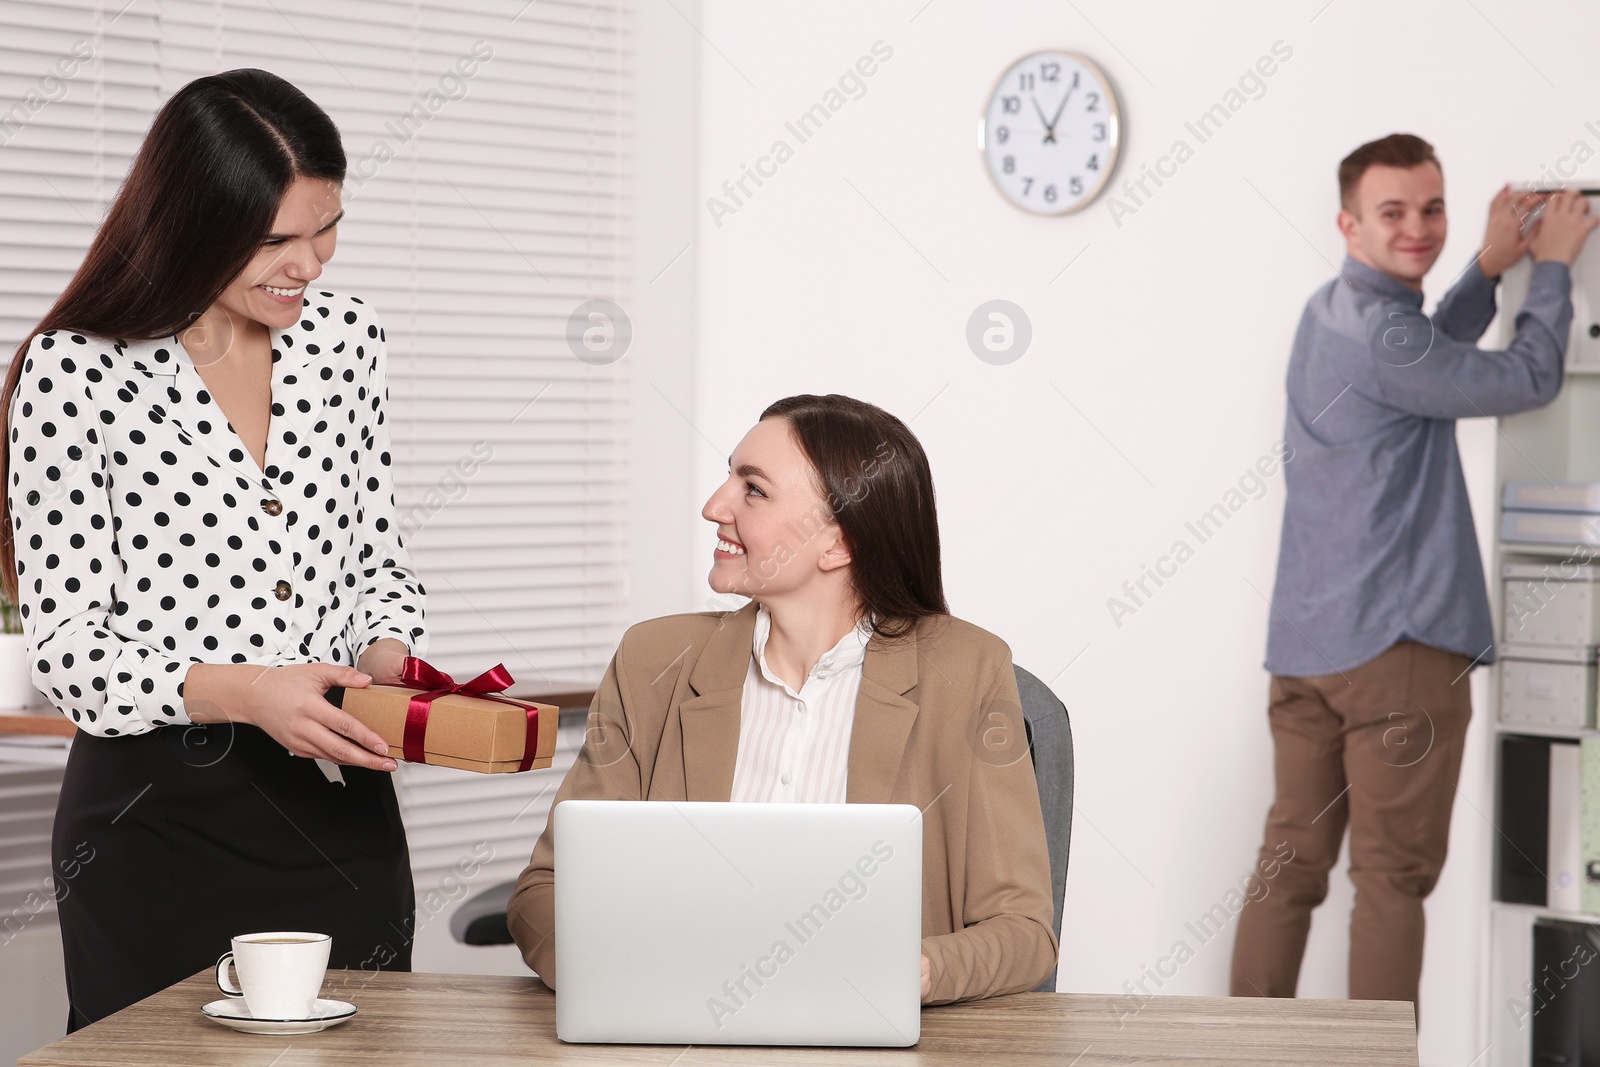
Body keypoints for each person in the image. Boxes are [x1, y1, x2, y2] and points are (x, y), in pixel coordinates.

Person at [2, 69, 428, 1030]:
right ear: (192, 221)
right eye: (276, 238)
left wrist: (388, 663)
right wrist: (244, 690)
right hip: (155, 823)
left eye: (327, 227)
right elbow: (68, 647)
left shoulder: (348, 340)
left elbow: (376, 559)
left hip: (335, 808)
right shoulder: (75, 368)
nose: (309, 263)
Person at [506, 394, 1058, 1003]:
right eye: (728, 479)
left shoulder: (968, 670)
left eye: (754, 490)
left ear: (838, 543)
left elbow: (1025, 934)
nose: (714, 507)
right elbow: (545, 891)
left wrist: (910, 972)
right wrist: (621, 977)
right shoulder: (653, 660)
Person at [1231, 133, 1597, 1010]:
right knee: (1392, 881)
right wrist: (1550, 267)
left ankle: (1235, 1047)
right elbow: (1527, 376)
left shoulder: (1332, 314)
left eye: (1432, 207)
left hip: (1307, 651)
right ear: (1348, 223)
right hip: (1397, 652)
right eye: (1393, 212)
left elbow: (1427, 362)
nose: (1419, 227)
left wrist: (1484, 268)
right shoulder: (1389, 340)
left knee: (1289, 866)